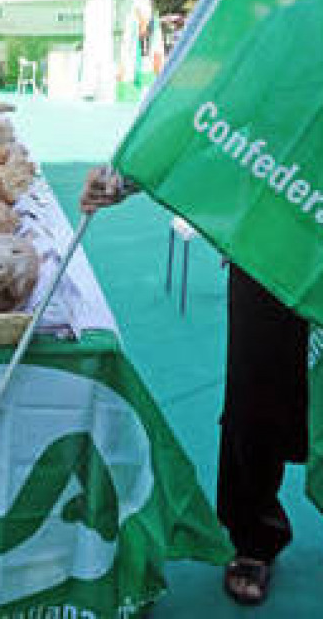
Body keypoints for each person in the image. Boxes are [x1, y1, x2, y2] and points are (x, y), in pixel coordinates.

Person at [80, 166, 310, 607]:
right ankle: (254, 537)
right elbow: (203, 114)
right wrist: (126, 176)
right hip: (276, 228)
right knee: (258, 392)